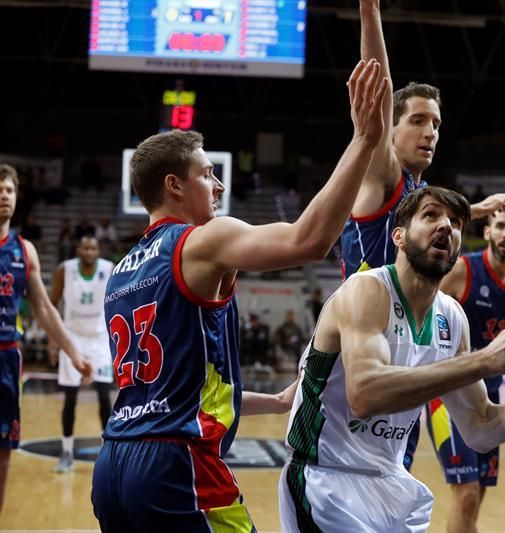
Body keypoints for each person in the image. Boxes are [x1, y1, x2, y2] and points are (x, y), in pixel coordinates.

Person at [90, 59, 389, 531]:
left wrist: (273, 402)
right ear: (174, 184)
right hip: (178, 466)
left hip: (113, 465)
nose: (220, 185)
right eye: (208, 174)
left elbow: (178, 392)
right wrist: (364, 141)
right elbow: (308, 240)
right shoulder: (201, 240)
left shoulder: (120, 275)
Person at [278, 187, 505, 533]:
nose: (446, 226)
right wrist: (485, 361)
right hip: (326, 481)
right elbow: (365, 395)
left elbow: (482, 426)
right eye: (431, 215)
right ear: (399, 235)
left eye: (456, 222)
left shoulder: (453, 318)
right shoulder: (367, 291)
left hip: (392, 482)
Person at [340, 0, 505, 280]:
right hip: (367, 318)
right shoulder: (385, 175)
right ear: (391, 129)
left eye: (436, 124)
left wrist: (482, 208)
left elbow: (440, 209)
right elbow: (380, 93)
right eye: (418, 121)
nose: (430, 132)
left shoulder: (418, 189)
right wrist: (369, 10)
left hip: (404, 319)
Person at [421, 202, 505, 533]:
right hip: (448, 395)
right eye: (500, 225)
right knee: (467, 494)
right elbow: (423, 312)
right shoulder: (462, 270)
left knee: (478, 497)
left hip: (488, 397)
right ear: (487, 231)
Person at [0, 164, 91, 516]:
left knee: (4, 451)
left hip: (7, 357)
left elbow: (44, 309)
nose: (4, 197)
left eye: (8, 190)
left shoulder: (25, 251)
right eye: (0, 190)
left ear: (16, 196)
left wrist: (72, 351)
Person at [50, 236, 115, 473]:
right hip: (72, 338)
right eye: (85, 247)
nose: (89, 251)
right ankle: (66, 451)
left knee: (104, 396)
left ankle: (109, 452)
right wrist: (53, 340)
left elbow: (120, 301)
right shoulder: (64, 270)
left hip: (99, 339)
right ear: (78, 249)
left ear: (98, 251)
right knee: (70, 397)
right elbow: (52, 304)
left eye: (93, 248)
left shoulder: (109, 269)